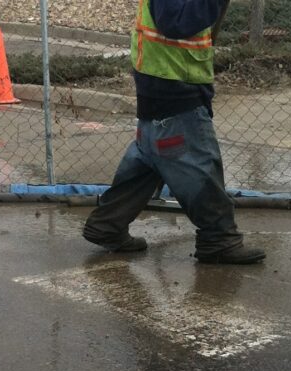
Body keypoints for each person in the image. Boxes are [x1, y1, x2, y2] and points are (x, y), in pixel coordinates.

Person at [82, 0, 266, 265]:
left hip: (161, 84)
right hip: (176, 88)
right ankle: (218, 239)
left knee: (150, 159)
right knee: (201, 166)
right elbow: (175, 22)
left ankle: (108, 223)